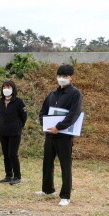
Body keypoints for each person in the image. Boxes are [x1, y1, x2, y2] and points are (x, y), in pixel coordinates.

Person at [38, 64, 83, 206]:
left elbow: (73, 115)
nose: (62, 79)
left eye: (65, 76)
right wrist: (44, 124)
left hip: (64, 135)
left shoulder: (75, 94)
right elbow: (43, 111)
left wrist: (59, 127)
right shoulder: (52, 93)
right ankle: (47, 189)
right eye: (59, 76)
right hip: (50, 134)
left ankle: (65, 195)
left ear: (71, 78)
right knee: (47, 162)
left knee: (65, 165)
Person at [0, 80, 27, 185]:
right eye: (4, 87)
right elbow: (0, 115)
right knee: (6, 154)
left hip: (15, 132)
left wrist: (18, 126)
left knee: (12, 154)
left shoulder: (19, 102)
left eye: (8, 87)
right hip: (3, 131)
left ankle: (17, 176)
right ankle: (8, 175)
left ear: (13, 89)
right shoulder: (0, 101)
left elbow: (24, 117)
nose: (6, 89)